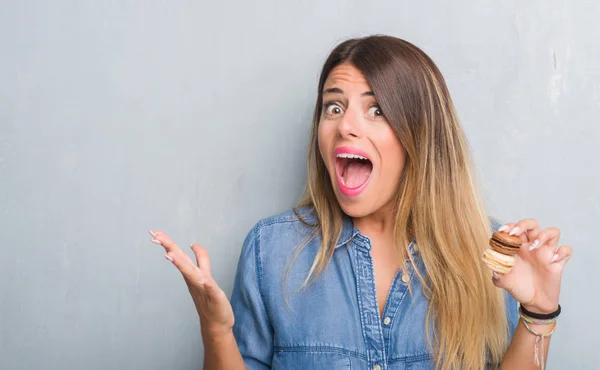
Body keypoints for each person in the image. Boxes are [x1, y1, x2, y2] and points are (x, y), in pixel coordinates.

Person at [148, 35, 572, 370]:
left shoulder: (493, 255)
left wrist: (537, 312)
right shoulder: (270, 251)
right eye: (334, 106)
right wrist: (217, 330)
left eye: (376, 110)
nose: (345, 124)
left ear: (420, 136)